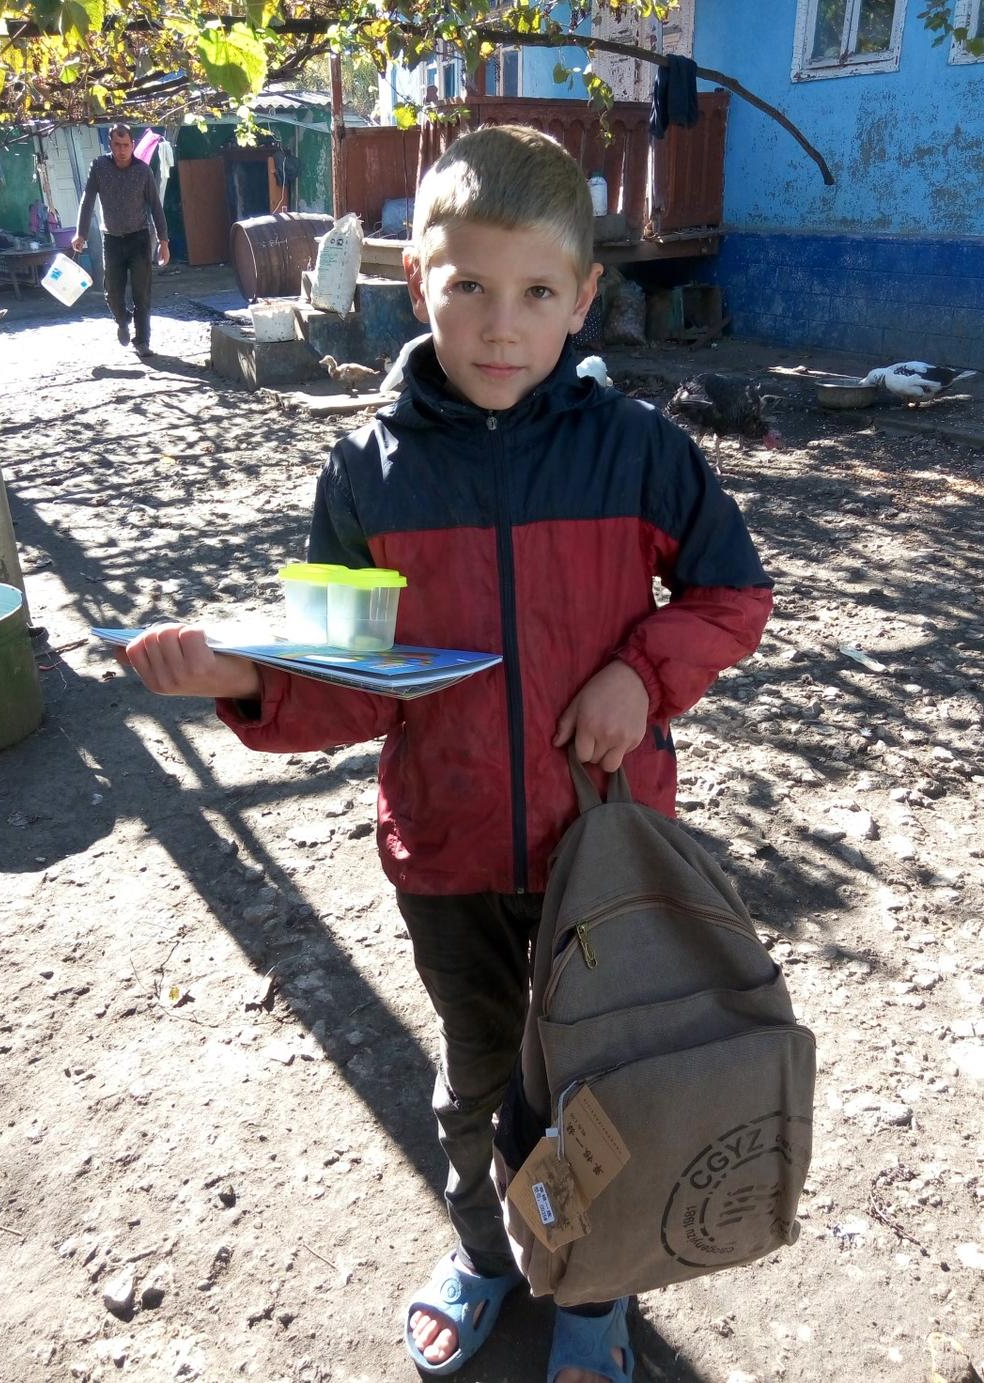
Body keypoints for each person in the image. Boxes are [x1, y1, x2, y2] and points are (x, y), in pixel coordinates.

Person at [120, 125, 773, 1382]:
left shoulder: (641, 451)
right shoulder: (366, 476)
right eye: (466, 286)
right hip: (452, 858)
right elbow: (349, 686)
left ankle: (592, 1293)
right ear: (413, 281)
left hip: (607, 858)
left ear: (585, 298)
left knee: (606, 1087)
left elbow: (730, 597)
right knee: (478, 1086)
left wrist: (640, 677)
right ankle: (485, 1252)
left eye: (536, 293)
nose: (498, 325)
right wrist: (245, 677)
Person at [72, 123, 170, 358]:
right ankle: (123, 319)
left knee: (142, 293)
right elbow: (87, 200)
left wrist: (164, 243)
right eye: (117, 145)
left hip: (138, 239)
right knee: (112, 292)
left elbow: (156, 207)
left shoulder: (143, 171)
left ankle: (142, 340)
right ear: (110, 144)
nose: (122, 150)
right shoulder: (99, 167)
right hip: (112, 240)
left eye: (126, 145)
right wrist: (81, 233)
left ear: (133, 145)